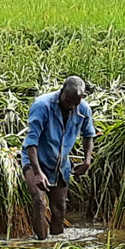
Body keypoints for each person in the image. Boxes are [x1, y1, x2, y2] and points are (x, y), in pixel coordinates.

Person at [21, 76, 96, 240]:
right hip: (36, 160)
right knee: (39, 201)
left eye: (75, 102)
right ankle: (42, 244)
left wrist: (87, 161)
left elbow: (88, 134)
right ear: (62, 92)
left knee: (59, 207)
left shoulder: (83, 109)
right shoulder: (42, 106)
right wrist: (38, 172)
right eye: (68, 101)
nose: (71, 106)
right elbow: (31, 142)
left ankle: (56, 245)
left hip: (60, 164)